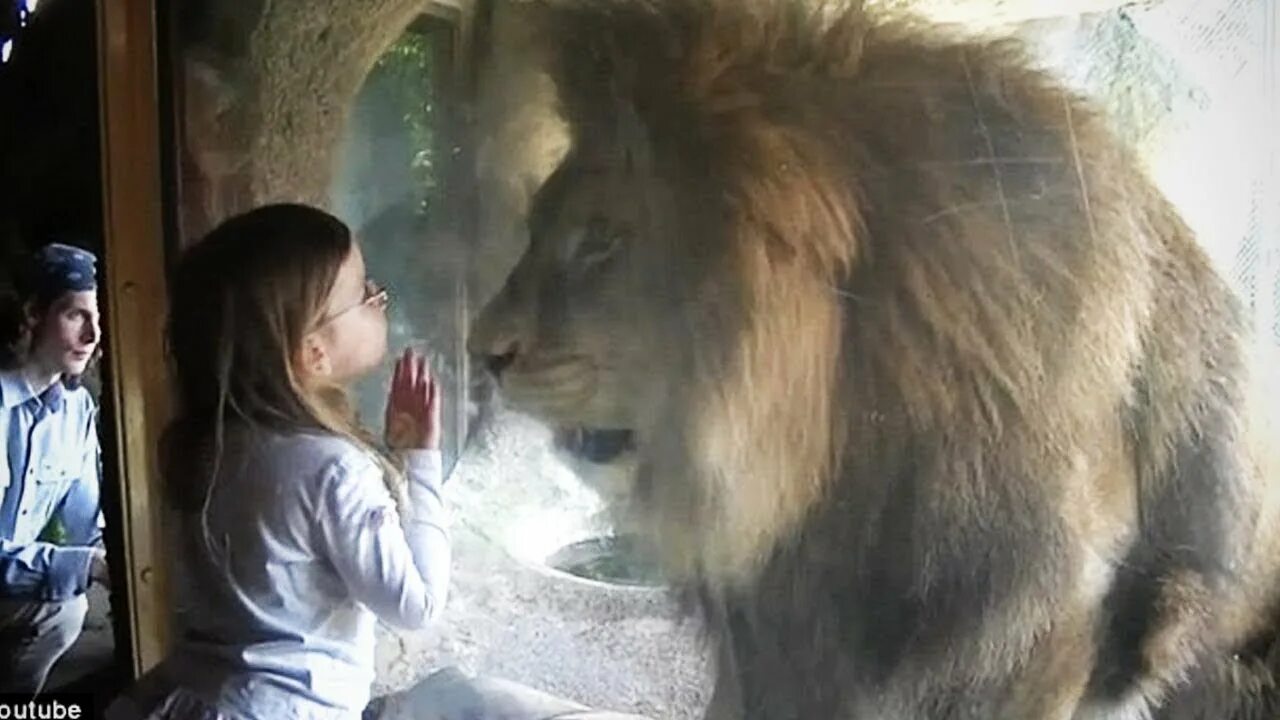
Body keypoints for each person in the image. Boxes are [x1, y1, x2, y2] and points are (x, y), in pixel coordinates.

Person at [104, 204, 451, 720]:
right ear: (314, 353)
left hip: (187, 697)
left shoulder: (210, 444)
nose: (379, 297)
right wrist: (421, 458)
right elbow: (415, 604)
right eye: (363, 293)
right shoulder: (334, 469)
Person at [0, 242, 109, 694]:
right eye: (75, 316)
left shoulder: (76, 409)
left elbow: (85, 522)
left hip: (9, 586)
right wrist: (86, 566)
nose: (92, 336)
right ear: (32, 314)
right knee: (64, 609)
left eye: (97, 319)